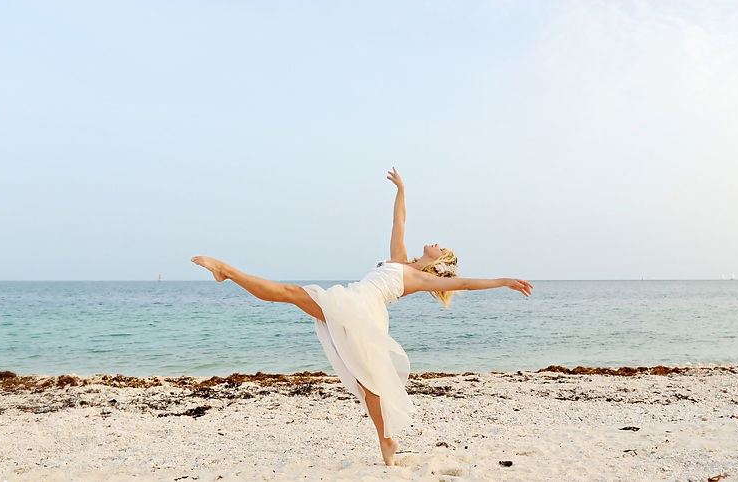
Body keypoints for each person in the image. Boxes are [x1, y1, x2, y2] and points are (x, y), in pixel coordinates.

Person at [191, 166, 533, 466]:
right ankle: (386, 442)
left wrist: (504, 281)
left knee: (292, 294)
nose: (436, 243)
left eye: (442, 248)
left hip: (360, 308)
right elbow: (399, 220)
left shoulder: (422, 278)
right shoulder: (400, 259)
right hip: (358, 306)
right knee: (369, 384)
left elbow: (468, 283)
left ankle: (225, 270)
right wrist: (402, 190)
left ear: (441, 264)